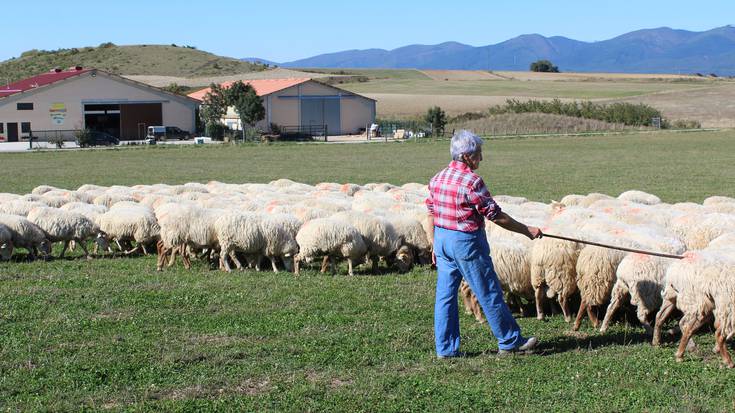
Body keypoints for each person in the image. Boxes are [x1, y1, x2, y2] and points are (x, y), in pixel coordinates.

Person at [425, 130, 543, 358]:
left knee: (445, 296)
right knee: (488, 290)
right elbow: (495, 215)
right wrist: (526, 230)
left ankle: (446, 349)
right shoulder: (472, 182)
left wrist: (433, 244)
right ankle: (510, 341)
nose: (481, 158)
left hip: (442, 240)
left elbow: (430, 211)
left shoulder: (438, 177)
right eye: (479, 154)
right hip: (465, 243)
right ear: (467, 156)